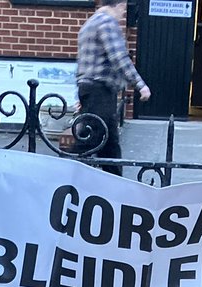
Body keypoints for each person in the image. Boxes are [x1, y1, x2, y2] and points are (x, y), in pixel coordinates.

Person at [75, 0, 152, 175]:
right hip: (100, 91)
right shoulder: (107, 23)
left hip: (89, 88)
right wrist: (141, 85)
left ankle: (115, 185)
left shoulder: (89, 23)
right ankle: (67, 177)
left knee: (108, 142)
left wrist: (80, 94)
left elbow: (81, 64)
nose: (123, 13)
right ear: (117, 5)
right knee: (92, 139)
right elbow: (120, 59)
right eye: (123, 8)